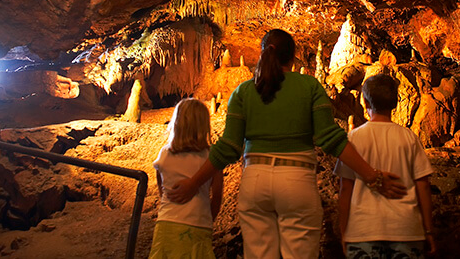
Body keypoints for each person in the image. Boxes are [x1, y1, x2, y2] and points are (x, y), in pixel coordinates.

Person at [167, 29, 407, 259]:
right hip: (297, 180)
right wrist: (373, 177)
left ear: (263, 53)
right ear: (292, 57)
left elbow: (227, 148)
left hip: (255, 182)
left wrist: (193, 183)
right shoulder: (309, 86)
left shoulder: (243, 92)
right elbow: (331, 139)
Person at [335, 74, 435, 258]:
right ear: (395, 103)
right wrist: (428, 230)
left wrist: (344, 232)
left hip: (363, 231)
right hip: (406, 231)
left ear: (364, 102)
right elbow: (423, 185)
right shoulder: (409, 138)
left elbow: (345, 189)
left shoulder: (353, 139)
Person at [149, 98, 224, 259]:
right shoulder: (211, 158)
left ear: (176, 123)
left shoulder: (165, 153)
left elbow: (161, 188)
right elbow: (217, 197)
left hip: (167, 221)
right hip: (198, 224)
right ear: (204, 125)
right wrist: (207, 218)